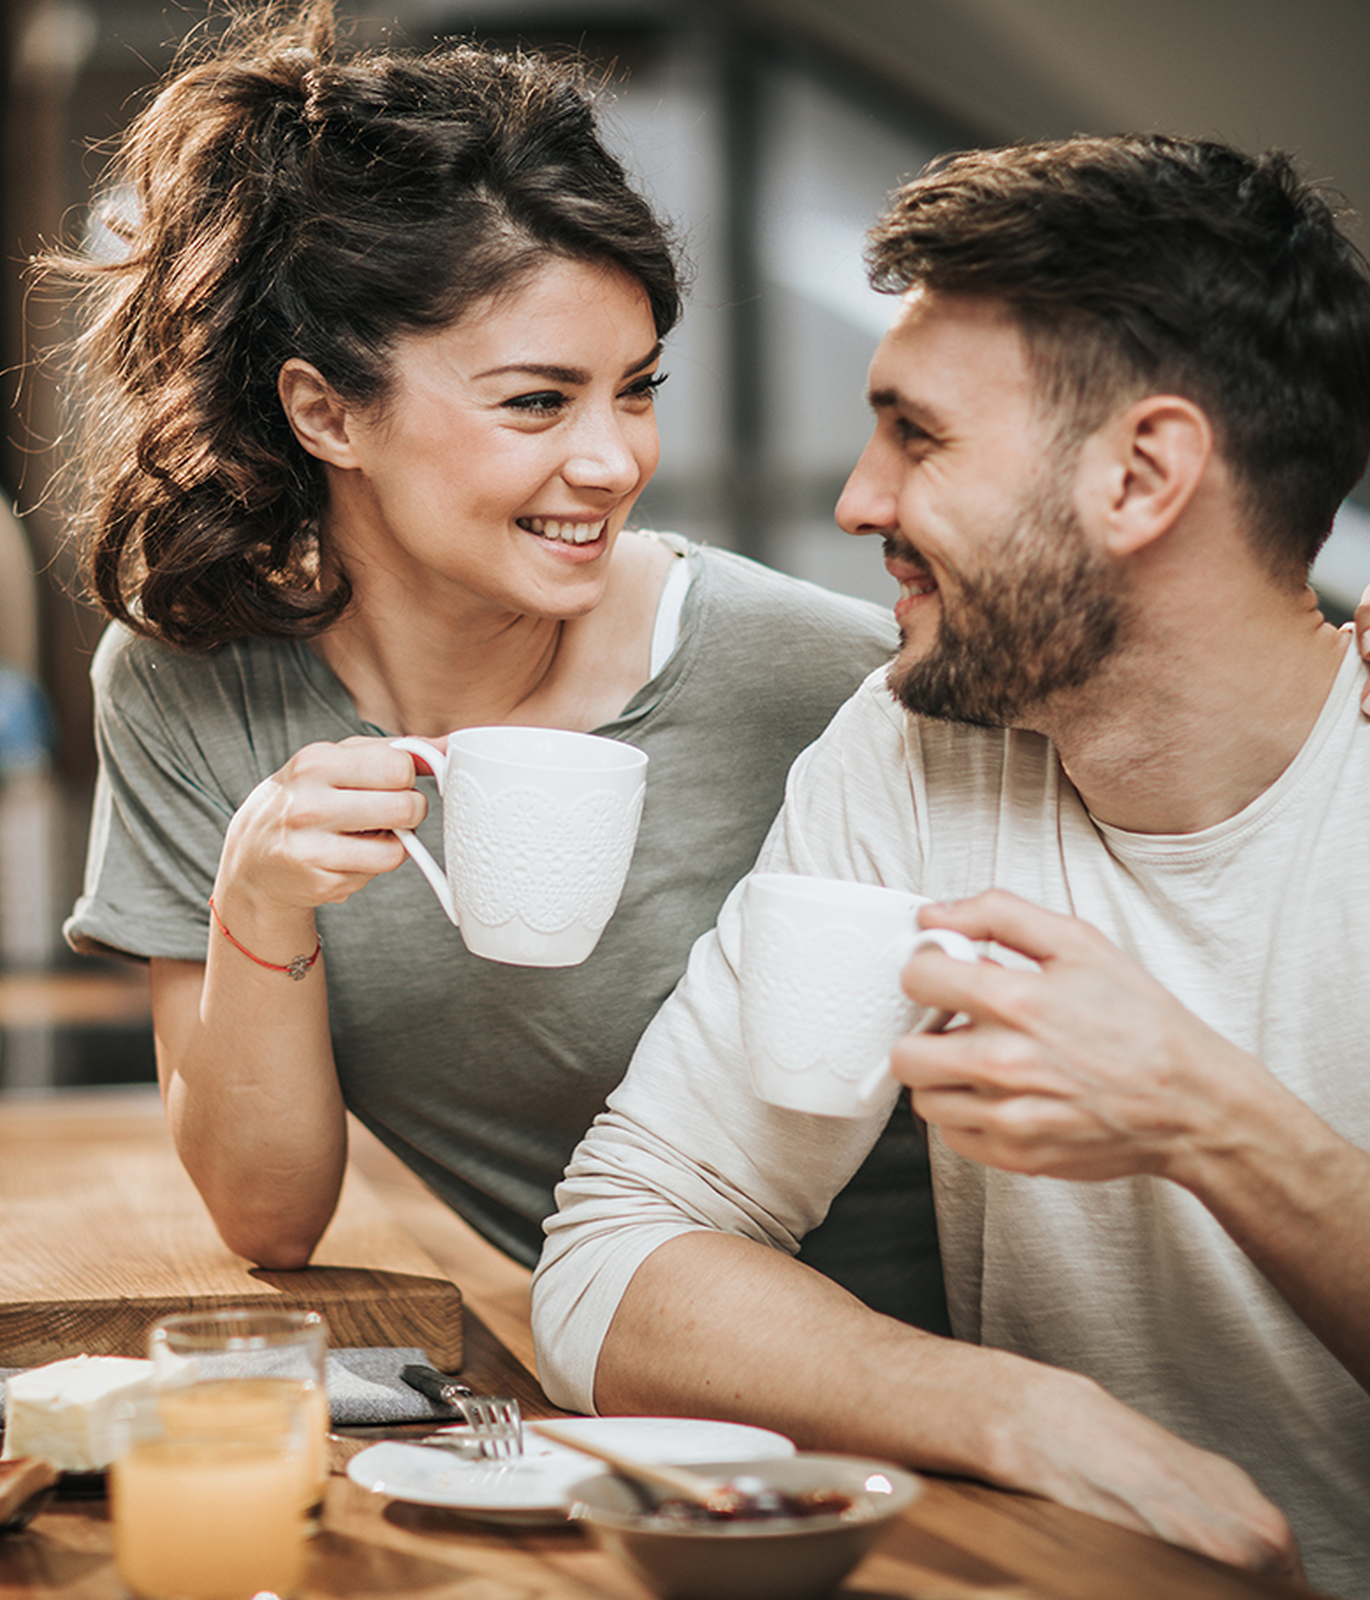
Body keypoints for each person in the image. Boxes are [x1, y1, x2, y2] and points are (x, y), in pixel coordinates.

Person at [533, 133, 1370, 1595]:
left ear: (1146, 473)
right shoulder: (920, 742)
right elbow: (619, 1250)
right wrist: (1016, 1412)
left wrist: (1204, 1118)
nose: (858, 501)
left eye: (915, 435)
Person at [47, 3, 943, 1330]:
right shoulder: (192, 687)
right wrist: (261, 895)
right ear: (325, 411)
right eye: (538, 400)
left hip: (925, 1394)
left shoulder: (807, 675)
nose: (615, 461)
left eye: (635, 389)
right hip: (604, 1412)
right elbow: (269, 1217)